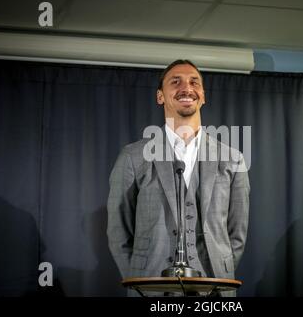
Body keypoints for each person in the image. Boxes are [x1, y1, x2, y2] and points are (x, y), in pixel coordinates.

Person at [107, 59, 250, 296]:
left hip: (215, 290)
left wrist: (221, 273)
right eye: (175, 82)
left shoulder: (233, 159)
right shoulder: (133, 156)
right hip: (150, 289)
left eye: (194, 82)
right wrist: (139, 280)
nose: (187, 87)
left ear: (203, 96)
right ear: (160, 96)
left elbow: (237, 234)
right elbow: (118, 231)